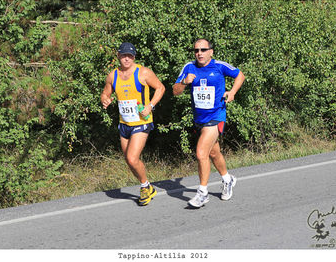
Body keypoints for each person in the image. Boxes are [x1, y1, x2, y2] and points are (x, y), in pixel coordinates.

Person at [173, 38, 245, 208]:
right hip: (199, 119)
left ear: (211, 52)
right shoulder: (188, 67)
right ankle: (228, 179)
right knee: (213, 153)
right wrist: (184, 82)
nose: (199, 53)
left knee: (201, 153)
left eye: (203, 50)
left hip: (216, 116)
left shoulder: (219, 66)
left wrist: (232, 92)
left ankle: (203, 193)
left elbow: (240, 75)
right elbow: (175, 91)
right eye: (196, 50)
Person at [101, 42, 165, 206]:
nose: (127, 59)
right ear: (119, 56)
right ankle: (148, 186)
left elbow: (160, 88)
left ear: (134, 57)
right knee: (129, 161)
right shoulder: (113, 75)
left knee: (132, 157)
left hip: (142, 122)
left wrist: (150, 106)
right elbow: (105, 92)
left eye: (130, 56)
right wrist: (105, 99)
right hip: (125, 123)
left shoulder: (143, 72)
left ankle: (144, 187)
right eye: (124, 55)